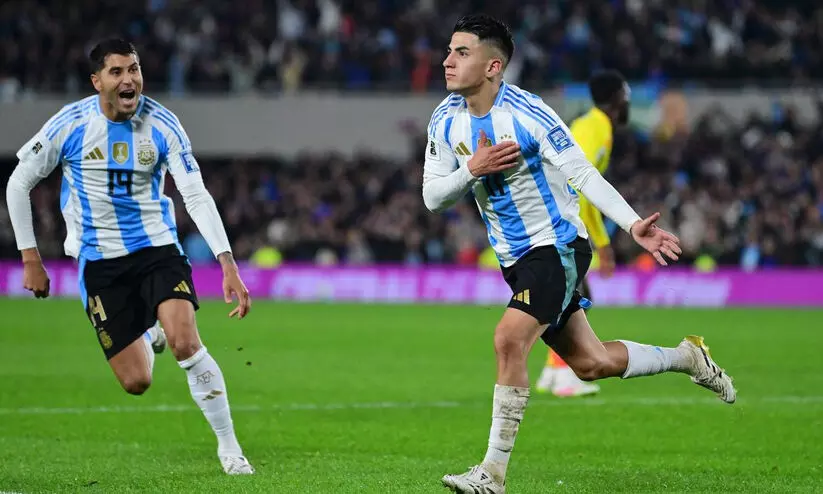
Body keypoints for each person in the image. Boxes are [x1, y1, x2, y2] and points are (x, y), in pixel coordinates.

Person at [421, 15, 736, 493]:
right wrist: (472, 169)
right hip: (514, 260)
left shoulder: (529, 114)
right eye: (449, 50)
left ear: (492, 66)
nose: (447, 60)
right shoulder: (445, 119)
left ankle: (491, 474)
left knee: (508, 339)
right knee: (592, 363)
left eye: (461, 52)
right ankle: (687, 357)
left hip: (557, 246)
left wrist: (632, 224)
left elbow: (583, 174)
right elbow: (432, 197)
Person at [5, 38, 255, 475]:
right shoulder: (71, 124)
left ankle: (230, 448)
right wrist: (30, 257)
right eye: (117, 71)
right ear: (97, 81)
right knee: (136, 382)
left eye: (134, 69)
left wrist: (227, 262)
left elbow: (195, 195)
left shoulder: (163, 124)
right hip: (100, 263)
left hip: (157, 249)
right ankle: (148, 330)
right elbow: (18, 182)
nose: (129, 79)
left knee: (186, 343)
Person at [535, 70, 629, 398]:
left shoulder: (589, 125)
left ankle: (552, 370)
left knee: (571, 295)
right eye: (626, 95)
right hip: (557, 220)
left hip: (552, 214)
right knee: (573, 299)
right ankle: (564, 374)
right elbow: (581, 186)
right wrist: (601, 243)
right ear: (617, 98)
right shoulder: (597, 129)